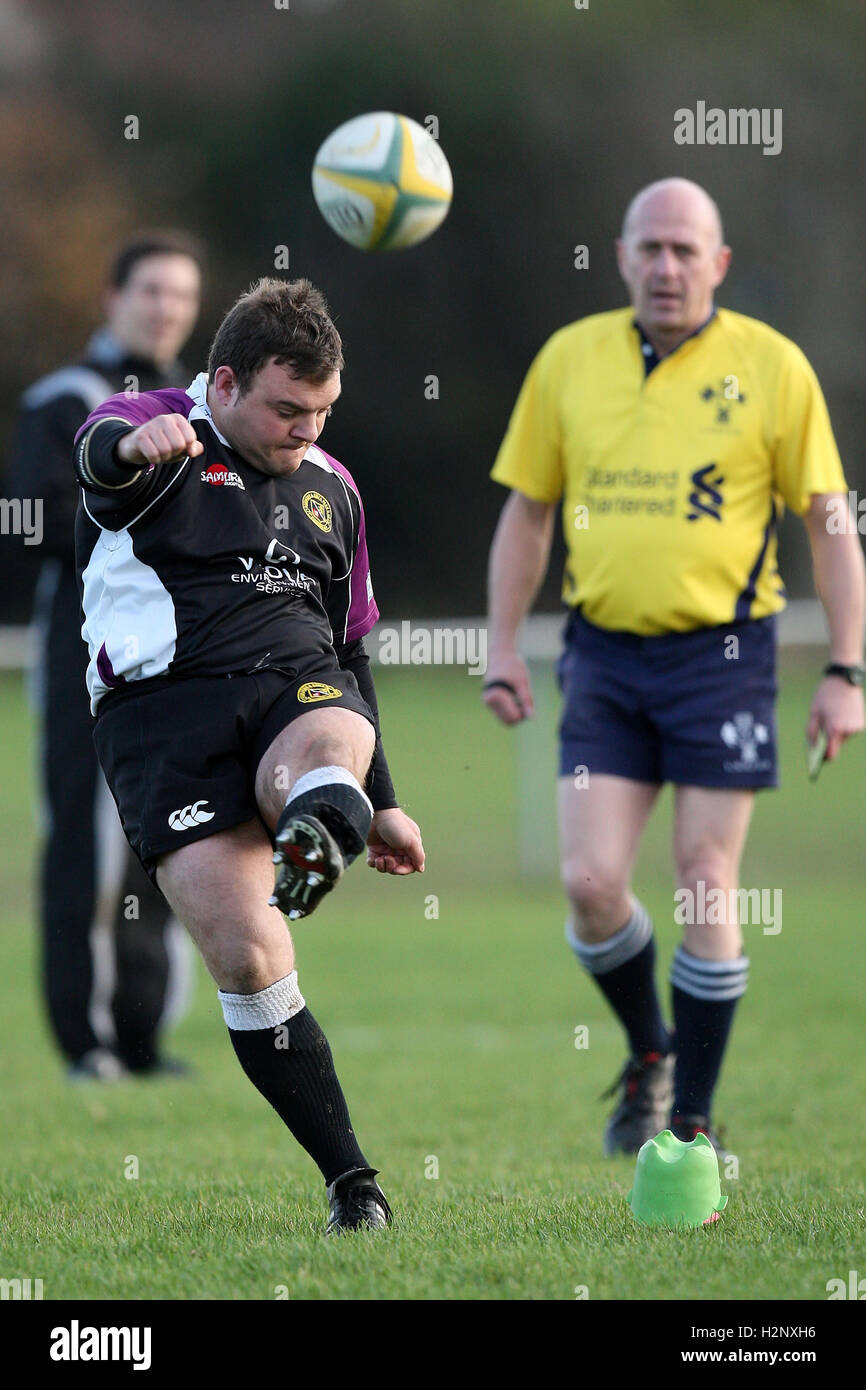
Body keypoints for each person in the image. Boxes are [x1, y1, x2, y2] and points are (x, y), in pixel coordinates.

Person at [482, 178, 865, 1155]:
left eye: (684, 250)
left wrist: (844, 670)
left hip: (722, 657)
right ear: (619, 256)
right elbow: (525, 513)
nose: (664, 266)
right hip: (602, 655)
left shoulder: (771, 367)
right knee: (589, 881)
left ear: (717, 264)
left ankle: (689, 1121)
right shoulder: (567, 360)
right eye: (648, 247)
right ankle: (650, 1052)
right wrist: (498, 645)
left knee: (702, 878)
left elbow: (829, 524)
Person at [72, 276, 425, 1232]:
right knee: (249, 959)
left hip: (293, 685)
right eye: (286, 408)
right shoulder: (159, 429)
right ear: (224, 384)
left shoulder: (333, 489)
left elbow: (351, 648)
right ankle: (352, 1182)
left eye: (322, 410)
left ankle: (324, 826)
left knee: (326, 732)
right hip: (161, 717)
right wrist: (130, 447)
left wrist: (381, 796)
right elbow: (98, 451)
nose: (306, 429)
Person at [10, 230, 204, 1081]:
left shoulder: (202, 408)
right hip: (83, 653)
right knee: (84, 847)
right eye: (151, 290)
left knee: (171, 840)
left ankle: (143, 1037)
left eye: (181, 295)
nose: (165, 307)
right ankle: (83, 1044)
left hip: (180, 658)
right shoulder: (67, 399)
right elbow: (28, 522)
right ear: (113, 298)